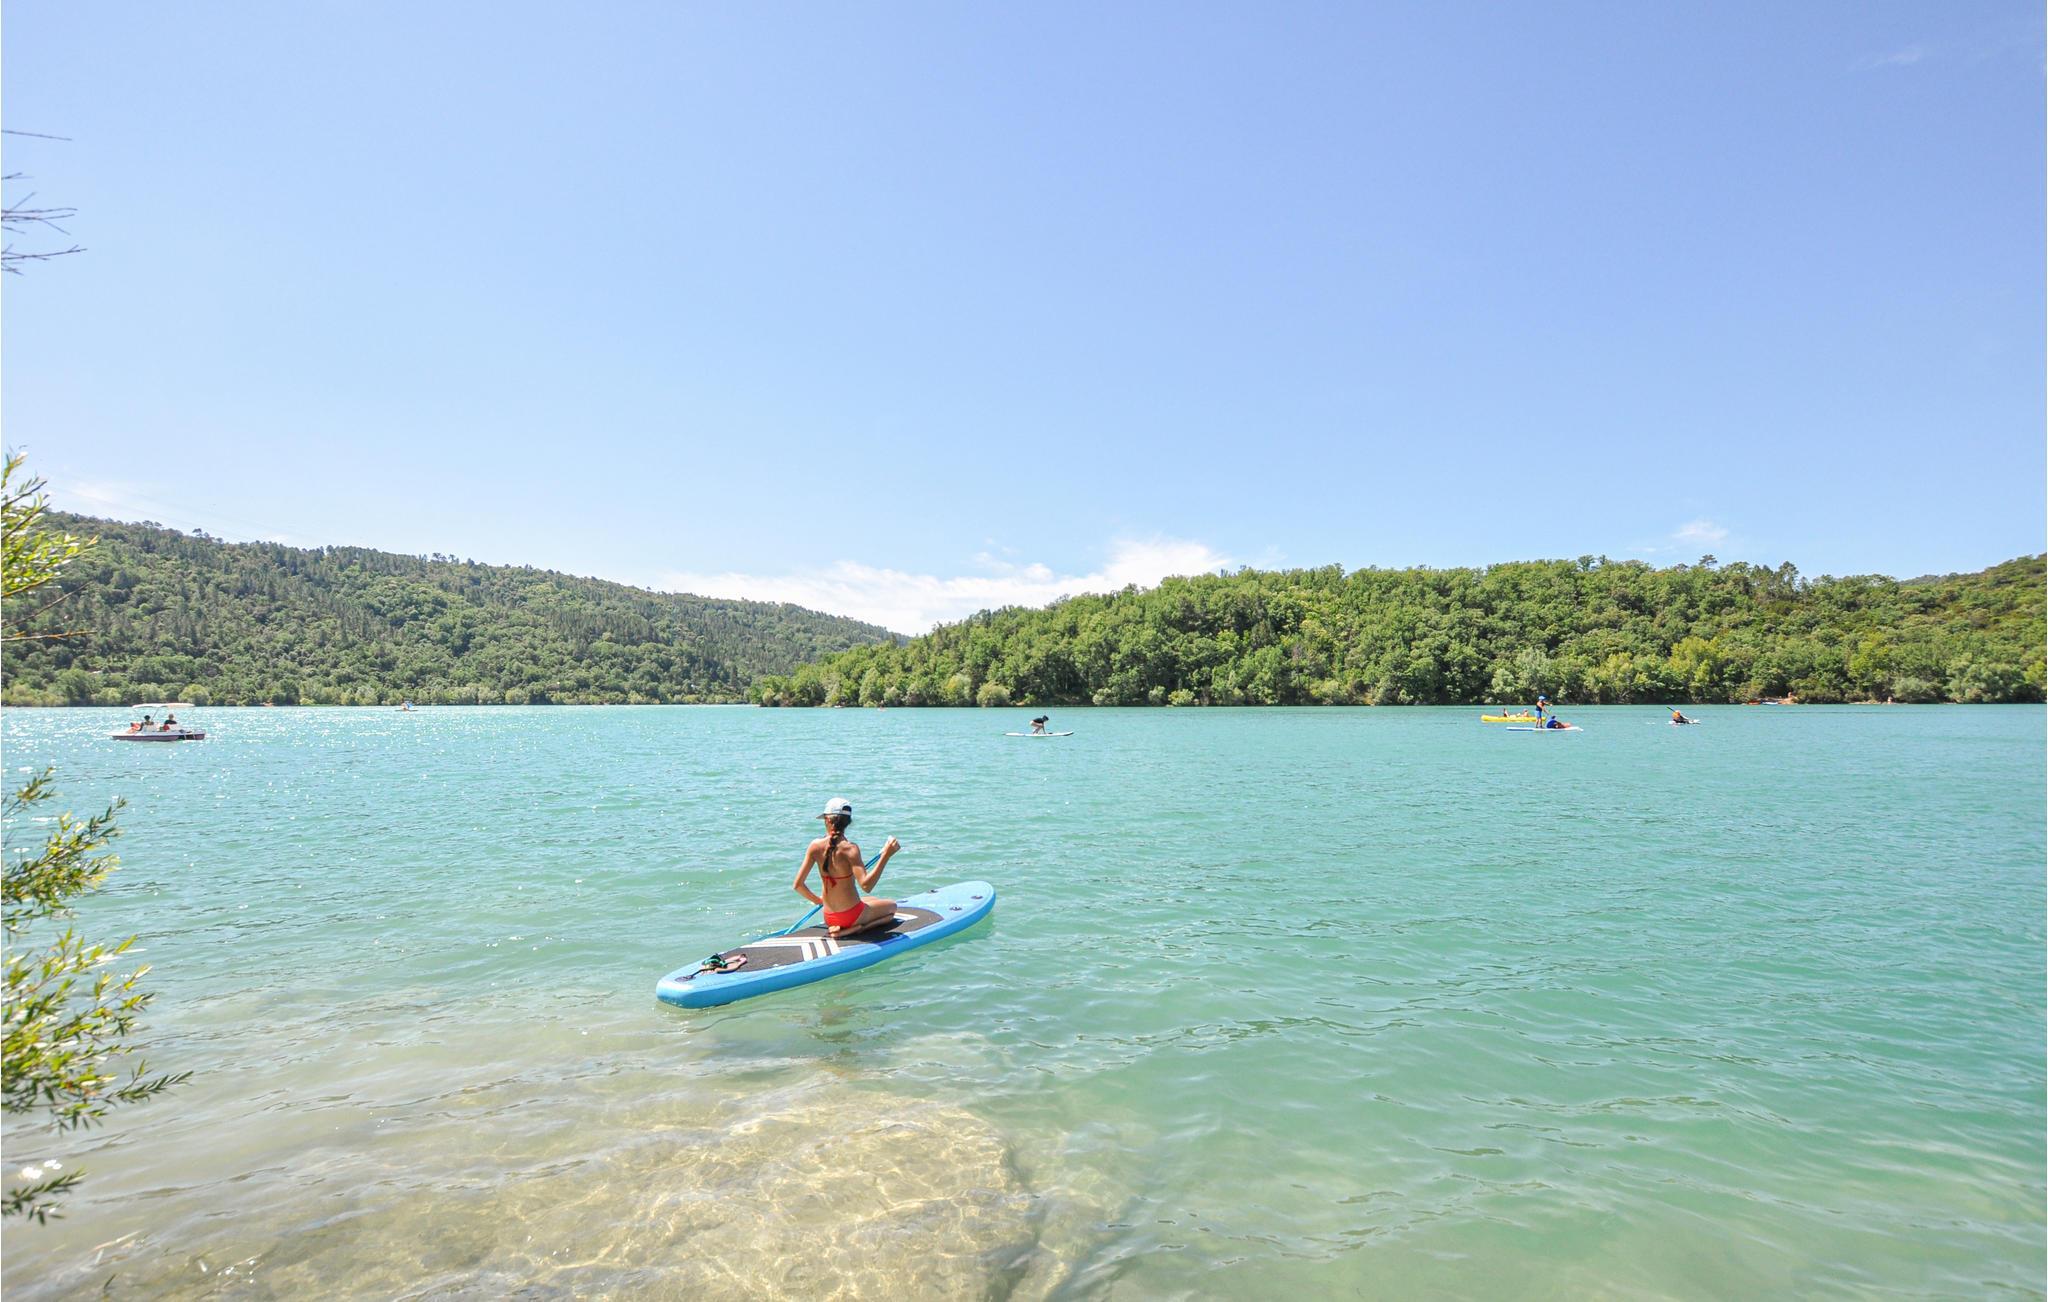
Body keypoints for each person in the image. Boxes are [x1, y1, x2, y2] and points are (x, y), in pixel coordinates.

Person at [792, 797, 901, 938]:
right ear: (848, 822)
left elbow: (798, 885)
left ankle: (845, 926)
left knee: (872, 899)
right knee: (892, 907)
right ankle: (857, 929)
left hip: (829, 916)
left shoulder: (814, 846)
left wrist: (819, 901)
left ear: (827, 820)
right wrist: (886, 855)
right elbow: (866, 885)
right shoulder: (850, 849)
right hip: (851, 917)